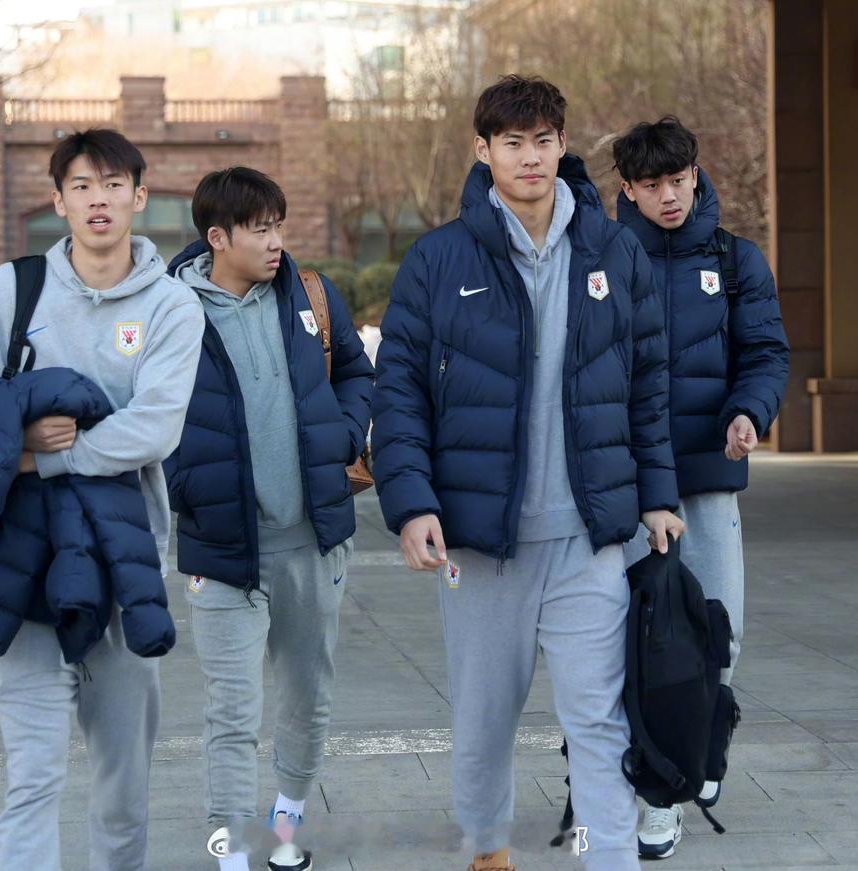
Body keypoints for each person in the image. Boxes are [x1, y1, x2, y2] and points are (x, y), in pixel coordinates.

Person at [371, 75, 684, 871]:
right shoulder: (439, 258)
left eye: (544, 140)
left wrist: (658, 495)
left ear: (563, 143)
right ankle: (489, 854)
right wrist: (411, 503)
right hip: (483, 543)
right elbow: (399, 391)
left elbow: (647, 382)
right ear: (483, 150)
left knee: (600, 721)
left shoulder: (612, 250)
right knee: (484, 724)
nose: (531, 157)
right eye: (512, 142)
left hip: (589, 538)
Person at [0, 128, 206, 870]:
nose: (98, 200)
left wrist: (46, 459)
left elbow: (156, 426)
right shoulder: (14, 290)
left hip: (124, 568)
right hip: (19, 566)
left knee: (122, 789)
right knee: (33, 778)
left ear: (139, 196)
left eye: (113, 185)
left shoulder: (173, 307)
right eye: (81, 186)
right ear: (58, 201)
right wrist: (19, 437)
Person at [164, 166, 375, 871]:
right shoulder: (170, 312)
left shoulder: (310, 295)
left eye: (278, 225)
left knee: (307, 697)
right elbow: (141, 403)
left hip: (312, 541)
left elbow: (357, 372)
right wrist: (184, 481)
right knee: (231, 707)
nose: (275, 240)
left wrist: (343, 434)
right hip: (221, 547)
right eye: (260, 229)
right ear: (217, 237)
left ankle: (285, 822)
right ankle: (232, 846)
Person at [612, 115, 790, 860]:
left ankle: (703, 741)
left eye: (679, 180)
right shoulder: (602, 258)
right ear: (628, 189)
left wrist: (749, 412)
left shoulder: (735, 259)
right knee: (639, 638)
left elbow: (766, 352)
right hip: (627, 478)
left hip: (708, 474)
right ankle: (656, 788)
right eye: (652, 185)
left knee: (721, 627)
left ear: (695, 174)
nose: (669, 196)